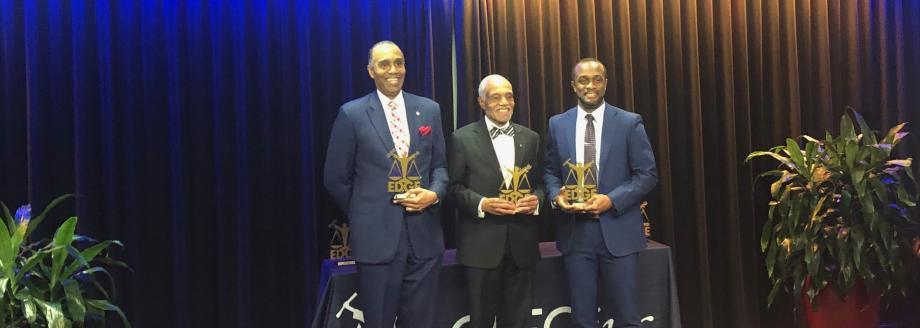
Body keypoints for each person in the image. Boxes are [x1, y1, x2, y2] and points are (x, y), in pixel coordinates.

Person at [323, 40, 447, 328]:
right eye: (385, 64)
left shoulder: (429, 110)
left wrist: (434, 194)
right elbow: (335, 178)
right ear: (371, 71)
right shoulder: (352, 114)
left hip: (425, 238)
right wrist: (366, 211)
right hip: (376, 240)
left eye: (399, 62)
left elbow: (440, 167)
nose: (394, 70)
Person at [542, 58, 658, 328]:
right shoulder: (557, 124)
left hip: (619, 232)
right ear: (573, 85)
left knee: (628, 318)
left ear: (605, 84)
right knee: (582, 320)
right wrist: (555, 196)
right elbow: (549, 171)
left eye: (597, 79)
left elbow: (647, 174)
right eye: (583, 80)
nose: (590, 85)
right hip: (576, 235)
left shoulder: (629, 122)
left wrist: (611, 200)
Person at [448, 74, 543, 328]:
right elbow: (453, 188)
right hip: (481, 246)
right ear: (481, 102)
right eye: (495, 96)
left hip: (522, 244)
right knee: (481, 320)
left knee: (520, 321)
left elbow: (540, 184)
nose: (504, 102)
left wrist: (537, 201)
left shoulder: (530, 137)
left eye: (509, 96)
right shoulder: (462, 138)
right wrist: (482, 204)